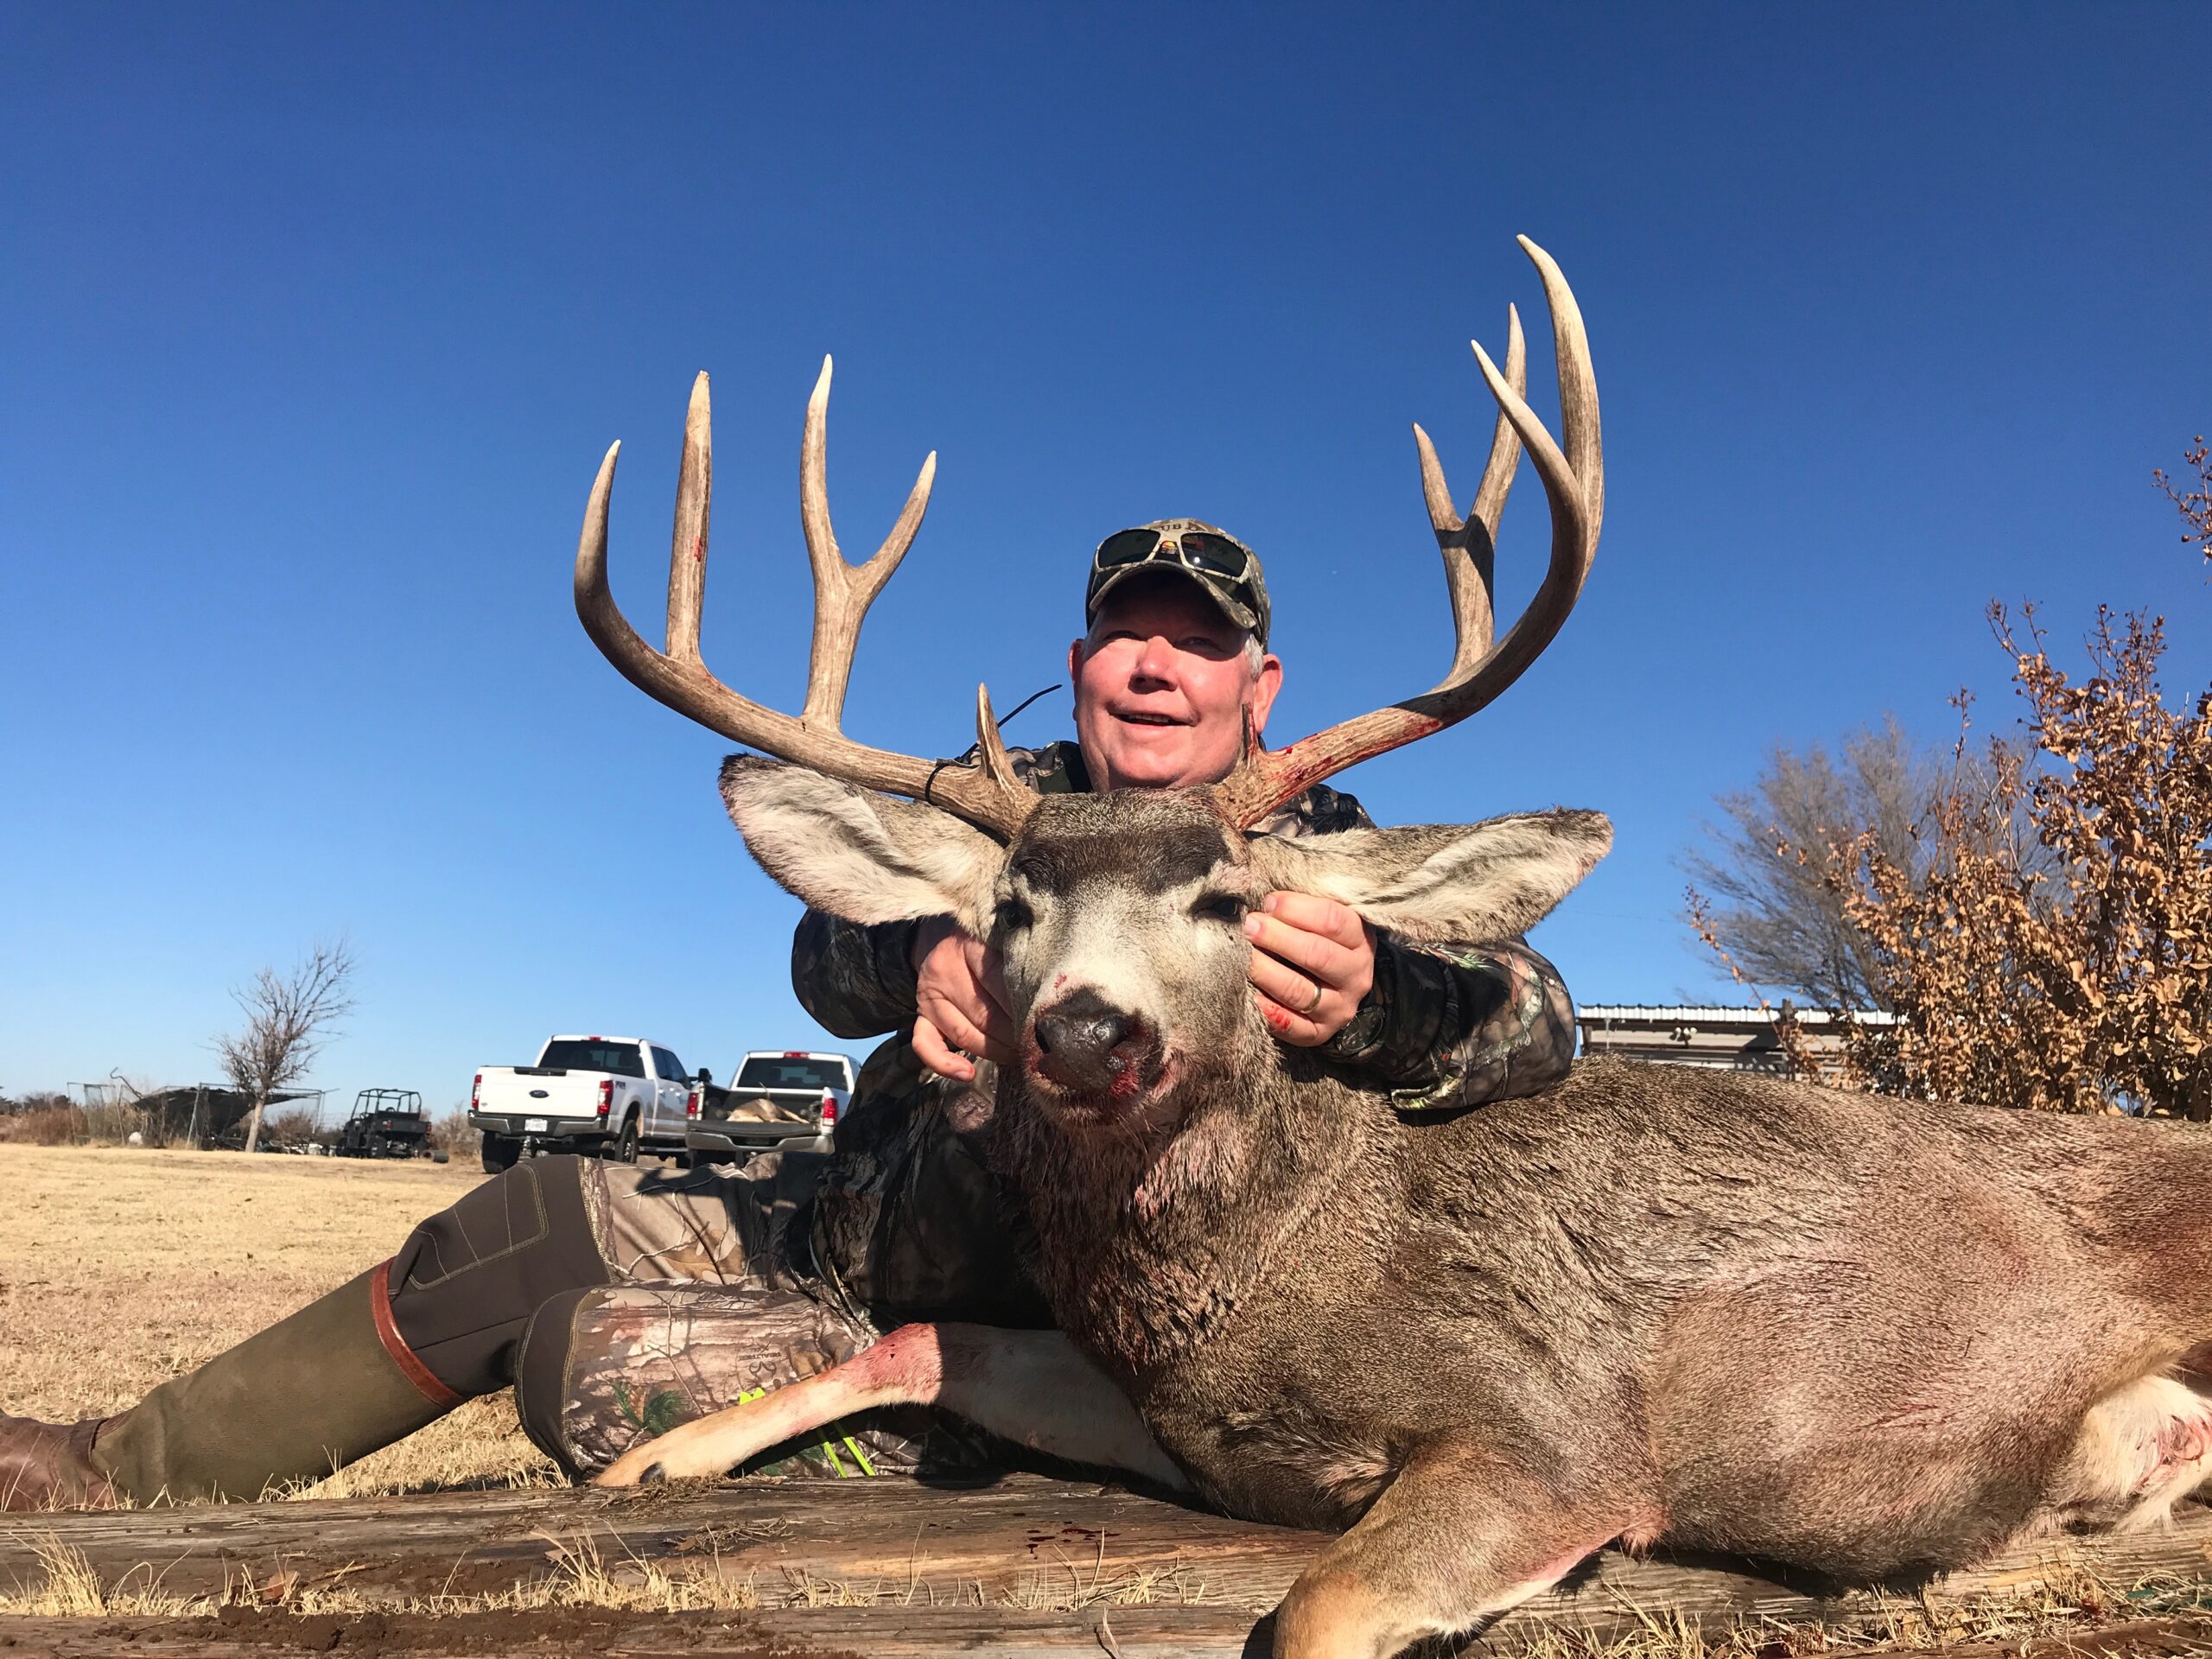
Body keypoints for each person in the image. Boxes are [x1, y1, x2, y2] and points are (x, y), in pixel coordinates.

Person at [0, 520, 1576, 1509]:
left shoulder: (1317, 857)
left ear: (1263, 686)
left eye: (1201, 643)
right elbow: (822, 955)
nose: (1158, 665)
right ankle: (111, 1464)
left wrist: (1390, 1000)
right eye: (1127, 635)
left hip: (1090, 1336)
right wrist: (924, 962)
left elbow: (1547, 1021)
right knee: (523, 1217)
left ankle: (972, 1437)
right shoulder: (992, 817)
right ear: (1080, 667)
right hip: (855, 1226)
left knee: (582, 1367)